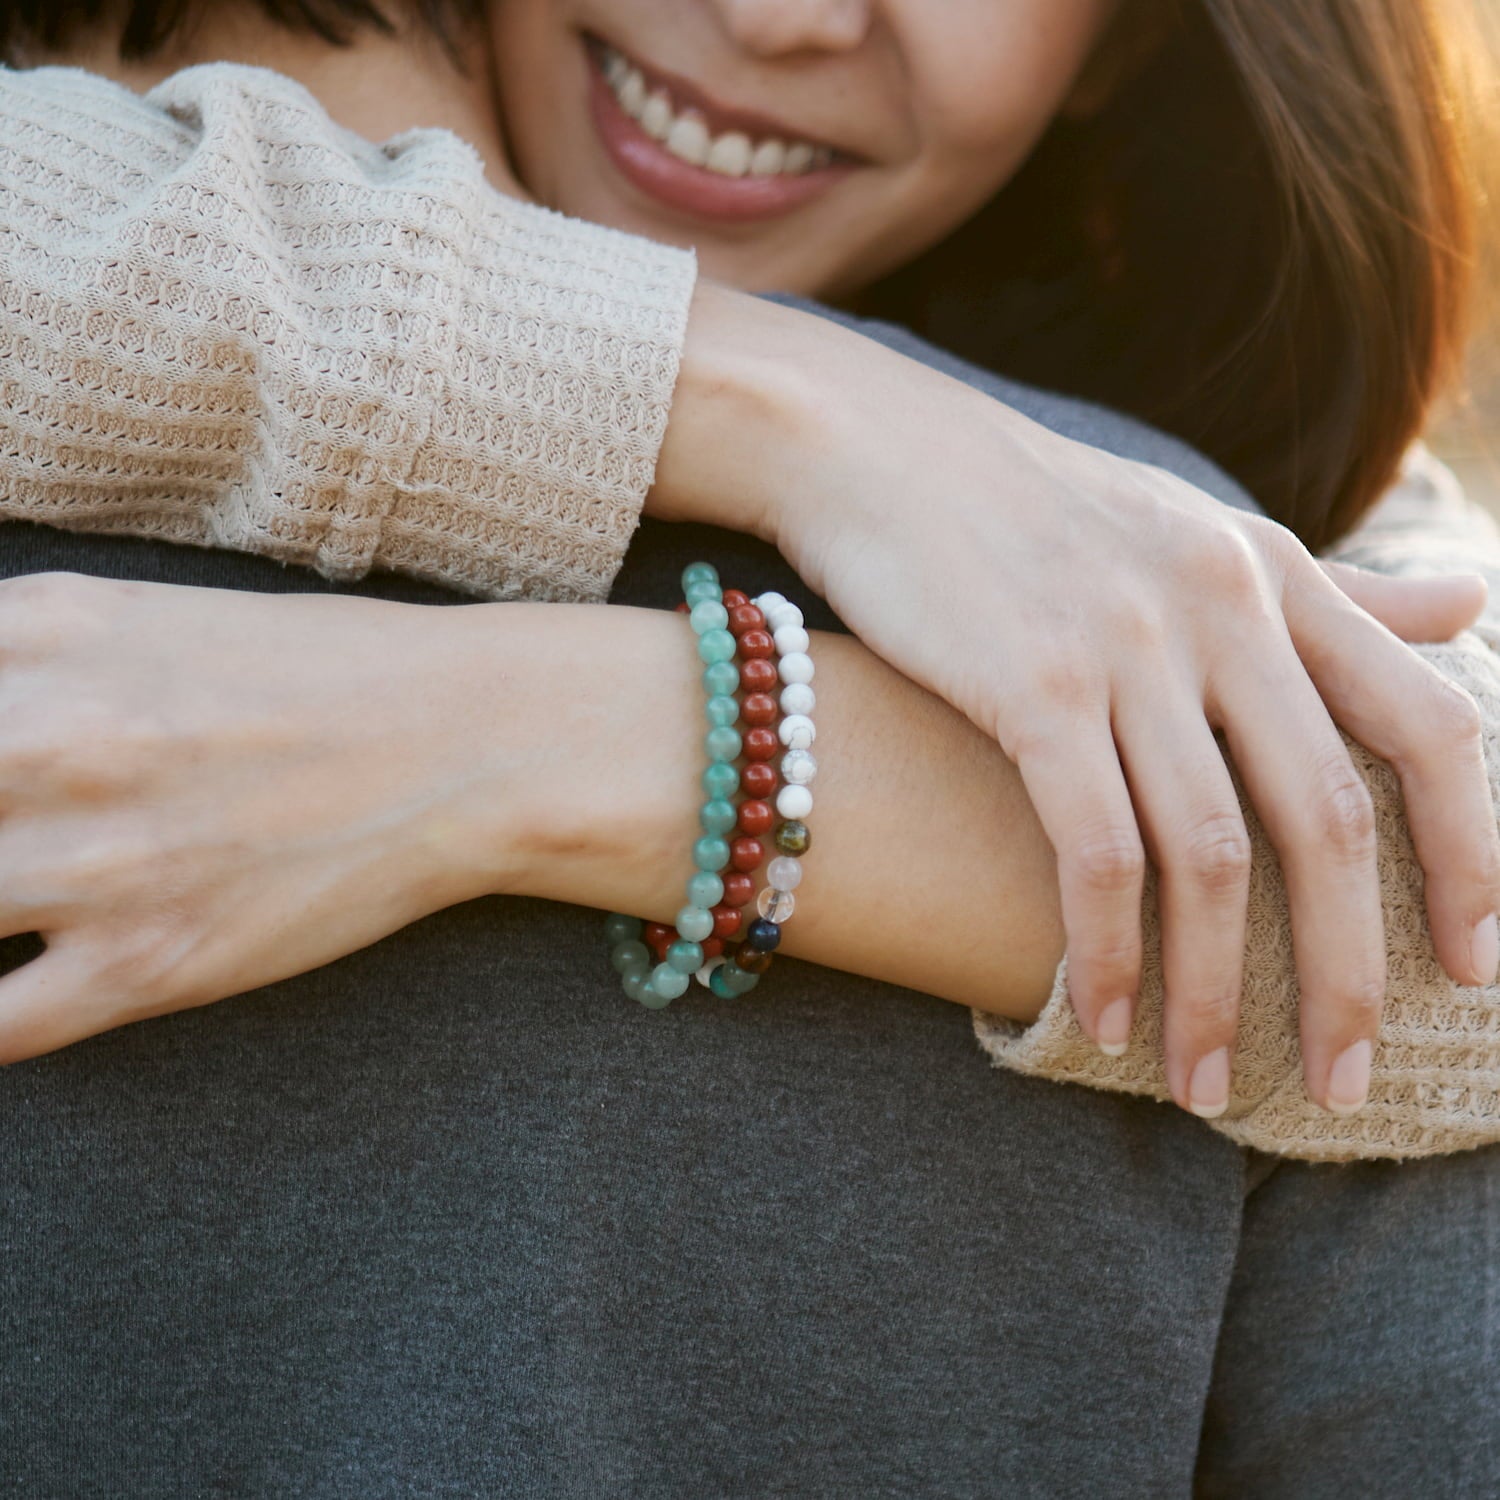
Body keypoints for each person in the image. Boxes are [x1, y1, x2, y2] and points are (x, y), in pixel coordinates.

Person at [1, 1, 1498, 1492]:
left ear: (1127, 44)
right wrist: (802, 414)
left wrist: (588, 731)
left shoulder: (1192, 570)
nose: (776, 19)